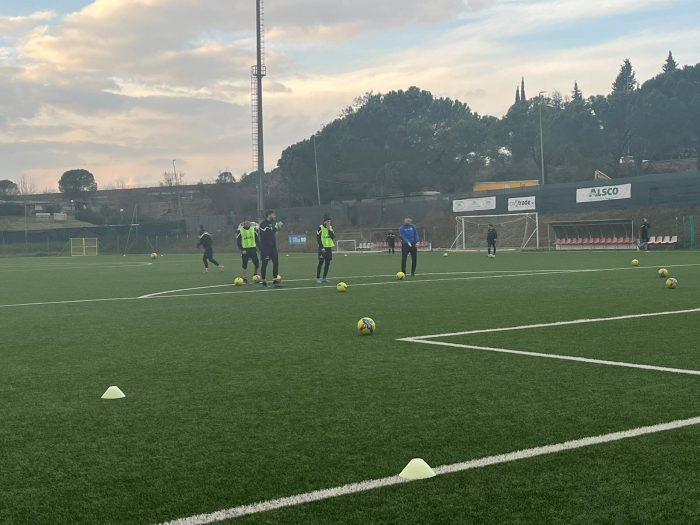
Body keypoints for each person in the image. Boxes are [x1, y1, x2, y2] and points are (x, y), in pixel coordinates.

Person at [259, 209, 283, 287]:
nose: (274, 216)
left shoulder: (273, 223)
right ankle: (263, 281)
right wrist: (275, 228)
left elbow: (274, 234)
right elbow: (266, 233)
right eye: (273, 214)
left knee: (276, 263)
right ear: (269, 215)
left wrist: (277, 228)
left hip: (273, 247)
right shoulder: (263, 224)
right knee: (265, 264)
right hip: (265, 247)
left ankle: (275, 280)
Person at [236, 216, 261, 283]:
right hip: (245, 250)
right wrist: (242, 249)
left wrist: (260, 249)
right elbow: (238, 241)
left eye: (248, 221)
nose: (247, 223)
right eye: (246, 222)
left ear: (250, 222)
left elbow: (257, 240)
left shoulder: (253, 229)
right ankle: (244, 278)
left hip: (253, 249)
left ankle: (255, 275)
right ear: (243, 223)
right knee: (244, 264)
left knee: (257, 263)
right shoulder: (240, 230)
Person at [316, 214, 335, 283]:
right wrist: (321, 247)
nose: (329, 223)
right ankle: (318, 278)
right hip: (322, 248)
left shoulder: (331, 228)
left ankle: (324, 278)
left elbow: (333, 237)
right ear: (324, 221)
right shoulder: (320, 228)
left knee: (327, 263)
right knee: (320, 263)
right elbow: (318, 239)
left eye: (330, 221)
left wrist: (329, 229)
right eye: (327, 221)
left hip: (329, 248)